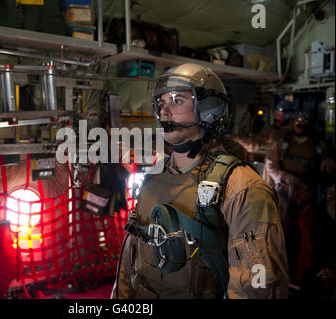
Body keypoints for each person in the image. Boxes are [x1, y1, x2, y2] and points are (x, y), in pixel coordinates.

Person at [111, 63, 289, 299]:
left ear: (208, 109)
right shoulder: (152, 180)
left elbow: (257, 287)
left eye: (177, 100)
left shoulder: (243, 187)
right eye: (160, 102)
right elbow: (129, 264)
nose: (164, 111)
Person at [265, 114, 335, 286]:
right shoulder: (282, 144)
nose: (300, 127)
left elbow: (329, 163)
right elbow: (270, 163)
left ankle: (305, 276)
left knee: (309, 239)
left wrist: (328, 163)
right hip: (286, 195)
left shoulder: (319, 146)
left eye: (304, 124)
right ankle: (280, 273)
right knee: (281, 235)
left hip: (308, 197)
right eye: (297, 124)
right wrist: (284, 176)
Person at [229, 101, 293, 186]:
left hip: (276, 174)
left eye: (279, 114)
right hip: (286, 175)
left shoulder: (272, 131)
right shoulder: (293, 131)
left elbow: (253, 145)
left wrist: (237, 139)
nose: (276, 117)